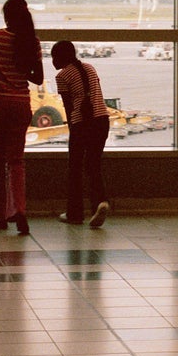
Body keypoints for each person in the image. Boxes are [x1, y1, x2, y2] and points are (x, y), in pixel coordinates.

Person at [0, 0, 42, 234]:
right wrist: (20, 71)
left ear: (5, 15)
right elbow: (38, 78)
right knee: (17, 161)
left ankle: (1, 215)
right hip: (21, 103)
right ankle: (20, 212)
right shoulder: (32, 41)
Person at [51, 40, 111, 229]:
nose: (52, 60)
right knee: (94, 165)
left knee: (75, 169)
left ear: (60, 57)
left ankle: (74, 213)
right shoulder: (90, 68)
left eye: (54, 56)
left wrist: (73, 132)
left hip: (82, 123)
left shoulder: (62, 76)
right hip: (101, 120)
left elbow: (69, 109)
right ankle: (99, 204)